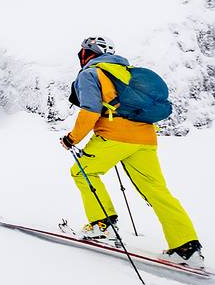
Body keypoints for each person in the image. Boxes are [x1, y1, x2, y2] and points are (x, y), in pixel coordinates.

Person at [59, 36, 204, 264]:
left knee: (82, 172)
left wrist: (71, 138)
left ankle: (101, 224)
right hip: (145, 139)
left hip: (114, 137)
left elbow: (90, 111)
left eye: (82, 53)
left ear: (88, 54)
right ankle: (186, 247)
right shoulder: (126, 73)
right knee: (156, 190)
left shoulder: (91, 73)